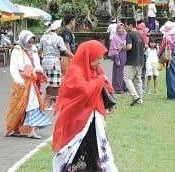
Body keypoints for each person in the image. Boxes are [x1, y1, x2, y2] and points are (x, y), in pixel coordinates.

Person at [52, 40, 118, 171]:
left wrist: (109, 99)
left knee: (96, 144)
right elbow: (85, 91)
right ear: (88, 56)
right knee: (77, 146)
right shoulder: (75, 71)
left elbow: (106, 85)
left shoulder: (96, 68)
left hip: (94, 117)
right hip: (78, 119)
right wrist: (100, 80)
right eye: (97, 58)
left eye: (101, 58)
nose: (100, 61)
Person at [5, 30, 50, 139]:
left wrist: (39, 70)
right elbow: (13, 68)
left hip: (32, 84)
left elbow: (37, 64)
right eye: (28, 42)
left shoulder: (33, 51)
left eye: (32, 42)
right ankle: (15, 128)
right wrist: (19, 80)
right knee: (18, 106)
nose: (30, 45)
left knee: (33, 105)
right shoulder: (17, 51)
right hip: (21, 83)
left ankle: (32, 130)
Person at [39, 19, 72, 110]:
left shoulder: (43, 37)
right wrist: (74, 56)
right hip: (54, 63)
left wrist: (42, 58)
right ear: (57, 29)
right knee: (55, 84)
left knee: (47, 82)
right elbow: (64, 50)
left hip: (45, 62)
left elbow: (39, 50)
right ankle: (52, 104)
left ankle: (47, 103)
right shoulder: (58, 38)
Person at [158, 21, 175, 101]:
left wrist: (158, 55)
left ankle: (174, 96)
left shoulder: (166, 37)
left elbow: (162, 48)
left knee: (171, 76)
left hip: (170, 57)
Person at [123, 18, 145, 106]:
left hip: (131, 61)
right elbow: (143, 47)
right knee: (138, 80)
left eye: (126, 26)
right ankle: (140, 100)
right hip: (140, 60)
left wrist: (122, 48)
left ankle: (135, 97)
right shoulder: (140, 35)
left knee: (127, 78)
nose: (125, 28)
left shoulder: (129, 34)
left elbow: (129, 47)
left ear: (130, 25)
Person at [107, 23, 127, 94]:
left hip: (124, 55)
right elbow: (114, 49)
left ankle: (123, 87)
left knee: (123, 72)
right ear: (117, 29)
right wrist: (117, 59)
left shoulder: (125, 36)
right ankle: (118, 88)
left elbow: (126, 45)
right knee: (118, 72)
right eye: (119, 28)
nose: (121, 30)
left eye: (122, 28)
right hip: (118, 56)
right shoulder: (115, 38)